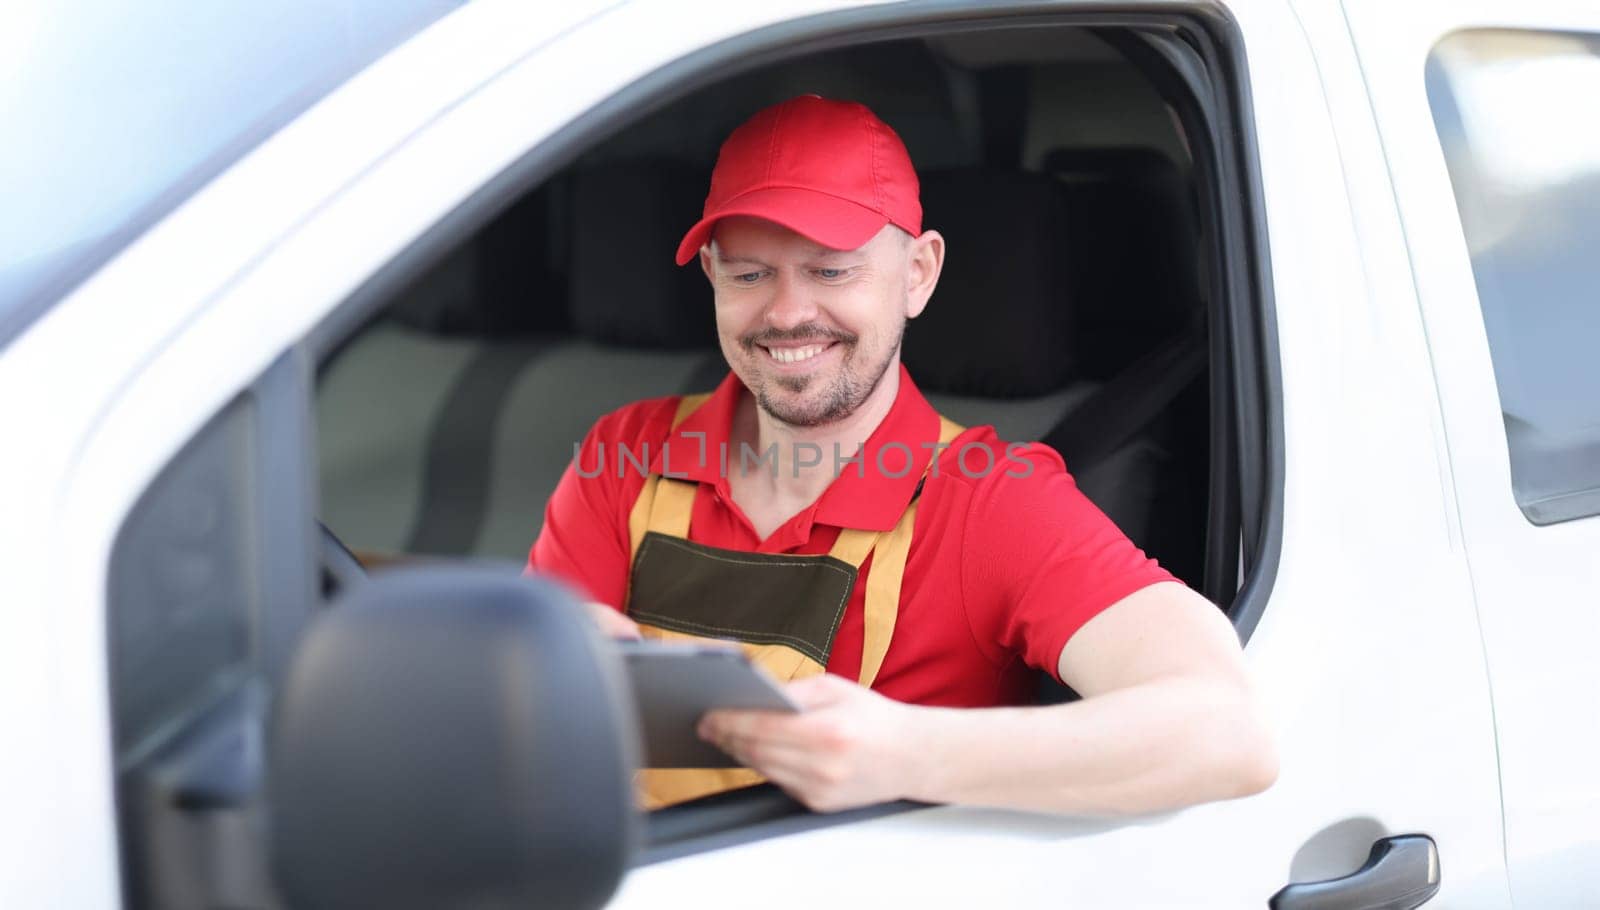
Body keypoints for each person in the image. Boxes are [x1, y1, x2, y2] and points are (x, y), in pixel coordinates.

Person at [528, 95, 1276, 812]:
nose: (786, 311)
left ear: (918, 273)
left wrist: (906, 753)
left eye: (831, 269)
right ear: (711, 278)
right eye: (750, 273)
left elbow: (1228, 731)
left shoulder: (990, 499)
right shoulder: (624, 454)